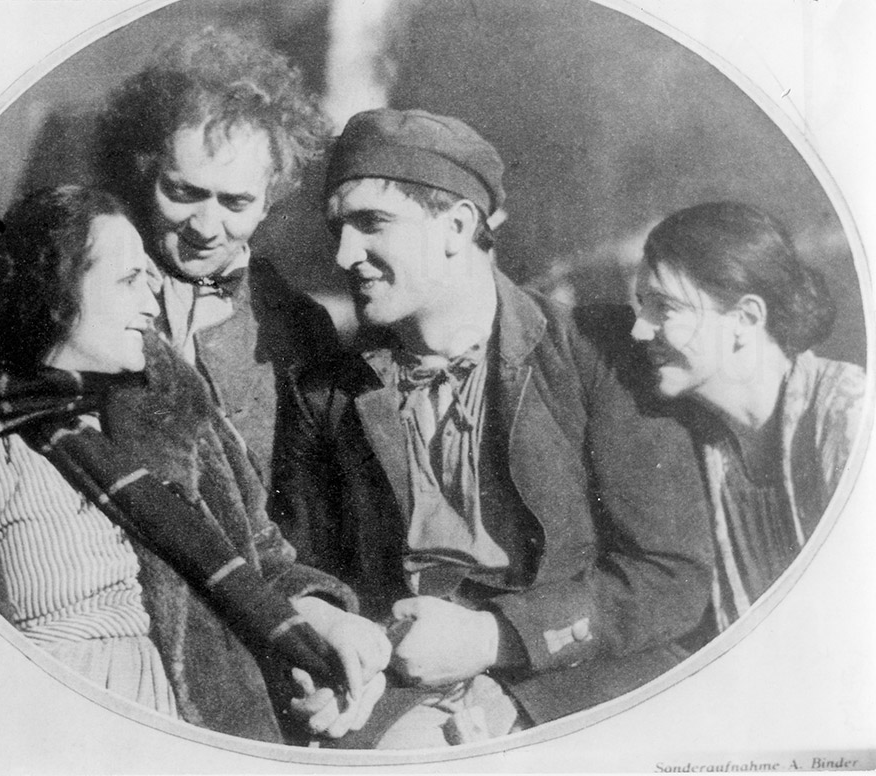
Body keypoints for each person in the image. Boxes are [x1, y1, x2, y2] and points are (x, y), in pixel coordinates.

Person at [272, 109, 714, 747]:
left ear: (456, 225)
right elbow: (308, 568)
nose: (345, 255)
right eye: (337, 227)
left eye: (372, 223)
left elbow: (672, 576)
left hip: (583, 677)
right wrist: (337, 652)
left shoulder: (595, 354)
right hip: (402, 686)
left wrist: (493, 638)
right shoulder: (327, 394)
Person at [0, 186, 389, 744]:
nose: (152, 305)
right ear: (52, 292)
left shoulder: (172, 411)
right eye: (130, 280)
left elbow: (261, 561)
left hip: (194, 722)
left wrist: (332, 623)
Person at [96, 27, 338, 485]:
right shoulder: (87, 293)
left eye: (235, 203)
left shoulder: (301, 331)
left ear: (270, 200)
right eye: (183, 192)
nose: (205, 228)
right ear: (146, 171)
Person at [630, 201, 866, 635]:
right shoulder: (697, 442)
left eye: (664, 307)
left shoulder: (851, 415)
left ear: (745, 318)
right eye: (642, 305)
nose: (639, 330)